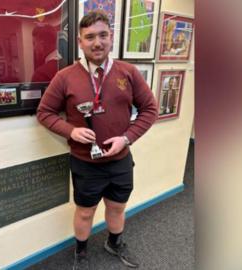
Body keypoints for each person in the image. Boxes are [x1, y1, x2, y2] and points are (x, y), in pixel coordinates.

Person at [36, 10, 157, 269]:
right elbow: (44, 113)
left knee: (116, 208)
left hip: (120, 160)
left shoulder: (129, 72)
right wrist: (71, 131)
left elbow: (150, 109)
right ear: (80, 41)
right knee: (85, 211)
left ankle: (114, 243)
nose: (97, 42)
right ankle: (81, 252)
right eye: (89, 37)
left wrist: (127, 138)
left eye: (103, 35)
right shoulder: (65, 77)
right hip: (85, 163)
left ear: (111, 37)